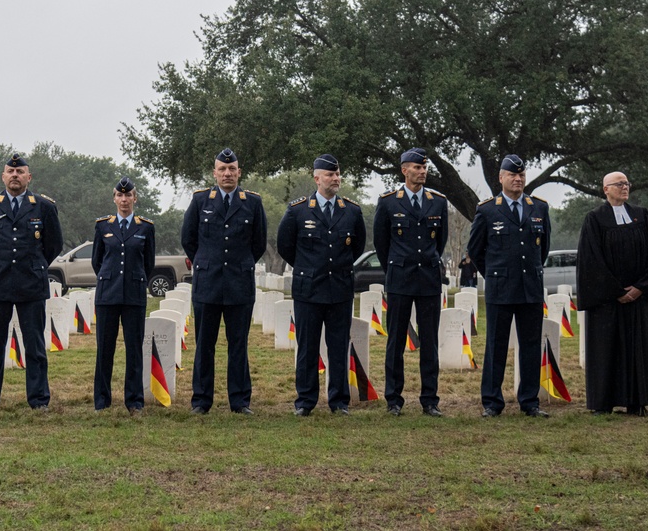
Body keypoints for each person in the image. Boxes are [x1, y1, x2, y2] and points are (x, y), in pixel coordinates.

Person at [0, 153, 63, 415]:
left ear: (28, 177)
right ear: (3, 176)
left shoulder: (43, 206)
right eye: (10, 171)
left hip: (30, 282)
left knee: (34, 345)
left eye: (20, 172)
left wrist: (34, 264)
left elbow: (54, 244)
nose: (15, 176)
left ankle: (39, 399)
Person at [277, 154, 366, 416]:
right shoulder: (298, 210)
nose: (335, 179)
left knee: (339, 346)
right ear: (317, 178)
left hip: (339, 289)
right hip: (309, 290)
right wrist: (308, 268)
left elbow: (357, 247)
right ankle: (305, 401)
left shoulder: (351, 211)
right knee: (307, 347)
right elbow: (286, 246)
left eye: (338, 174)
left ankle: (339, 401)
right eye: (330, 174)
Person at [181, 148, 267, 415]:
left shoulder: (252, 202)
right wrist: (206, 262)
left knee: (238, 344)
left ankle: (240, 401)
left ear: (239, 172)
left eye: (232, 169)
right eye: (222, 169)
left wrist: (239, 264)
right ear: (214, 173)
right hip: (208, 283)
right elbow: (189, 239)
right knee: (204, 344)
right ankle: (201, 400)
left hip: (239, 284)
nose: (227, 173)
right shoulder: (200, 201)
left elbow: (258, 243)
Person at [468, 154, 551, 418]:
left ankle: (530, 401)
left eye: (521, 175)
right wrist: (494, 274)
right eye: (512, 175)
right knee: (496, 346)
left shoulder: (538, 207)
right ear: (501, 178)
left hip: (530, 289)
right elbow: (475, 250)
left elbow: (543, 248)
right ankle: (492, 402)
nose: (518, 179)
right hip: (500, 289)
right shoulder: (488, 209)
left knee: (529, 346)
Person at [576, 172, 648, 416]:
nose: (624, 187)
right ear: (606, 189)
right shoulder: (594, 219)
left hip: (638, 298)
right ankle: (602, 403)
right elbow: (591, 260)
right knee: (607, 351)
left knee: (637, 350)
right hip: (607, 302)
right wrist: (615, 291)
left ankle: (637, 402)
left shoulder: (642, 216)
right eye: (619, 184)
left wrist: (640, 287)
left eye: (627, 183)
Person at [372, 148, 449, 417]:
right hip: (400, 279)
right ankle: (394, 399)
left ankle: (430, 399)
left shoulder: (438, 202)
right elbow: (381, 244)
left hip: (428, 279)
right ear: (404, 170)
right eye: (417, 167)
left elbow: (440, 241)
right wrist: (396, 266)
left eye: (424, 167)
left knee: (429, 341)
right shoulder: (389, 202)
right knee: (396, 342)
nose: (422, 171)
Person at [91, 177, 156, 415]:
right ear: (114, 198)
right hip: (108, 295)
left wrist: (132, 279)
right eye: (120, 195)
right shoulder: (103, 226)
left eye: (128, 196)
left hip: (134, 295)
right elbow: (97, 261)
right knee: (104, 349)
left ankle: (134, 400)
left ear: (135, 198)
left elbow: (148, 263)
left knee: (134, 349)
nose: (124, 200)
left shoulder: (146, 227)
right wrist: (111, 279)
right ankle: (102, 399)